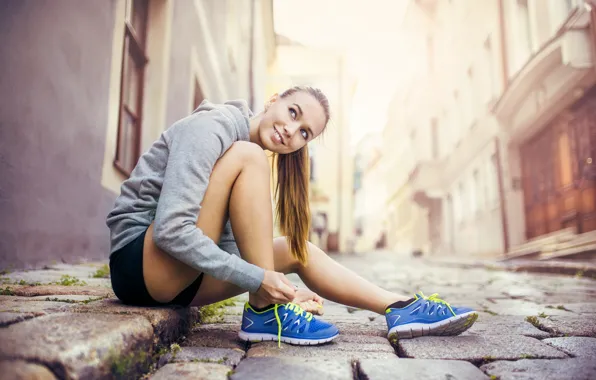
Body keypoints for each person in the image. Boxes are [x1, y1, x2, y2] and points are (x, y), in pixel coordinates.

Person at [106, 86, 478, 346]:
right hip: (138, 265)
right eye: (292, 113)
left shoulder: (245, 157)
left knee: (299, 250)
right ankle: (266, 314)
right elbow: (172, 230)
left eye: (304, 133)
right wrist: (260, 279)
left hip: (178, 279)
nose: (291, 131)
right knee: (248, 157)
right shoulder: (217, 129)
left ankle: (401, 308)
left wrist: (282, 289)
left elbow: (228, 247)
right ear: (273, 100)